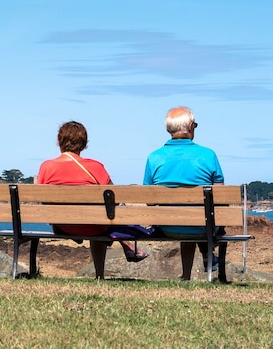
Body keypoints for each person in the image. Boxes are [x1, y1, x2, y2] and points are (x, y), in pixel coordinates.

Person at [37, 121, 148, 279]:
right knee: (101, 216)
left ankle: (124, 246)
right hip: (94, 226)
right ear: (84, 144)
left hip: (62, 226)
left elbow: (42, 201)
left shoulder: (46, 167)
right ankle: (101, 273)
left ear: (59, 141)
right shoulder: (95, 167)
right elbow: (115, 198)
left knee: (96, 217)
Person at [143, 106, 224, 281]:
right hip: (203, 227)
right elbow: (220, 197)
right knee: (200, 217)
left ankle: (186, 275)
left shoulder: (154, 157)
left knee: (186, 217)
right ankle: (208, 257)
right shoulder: (208, 155)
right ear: (189, 126)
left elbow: (148, 201)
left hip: (168, 227)